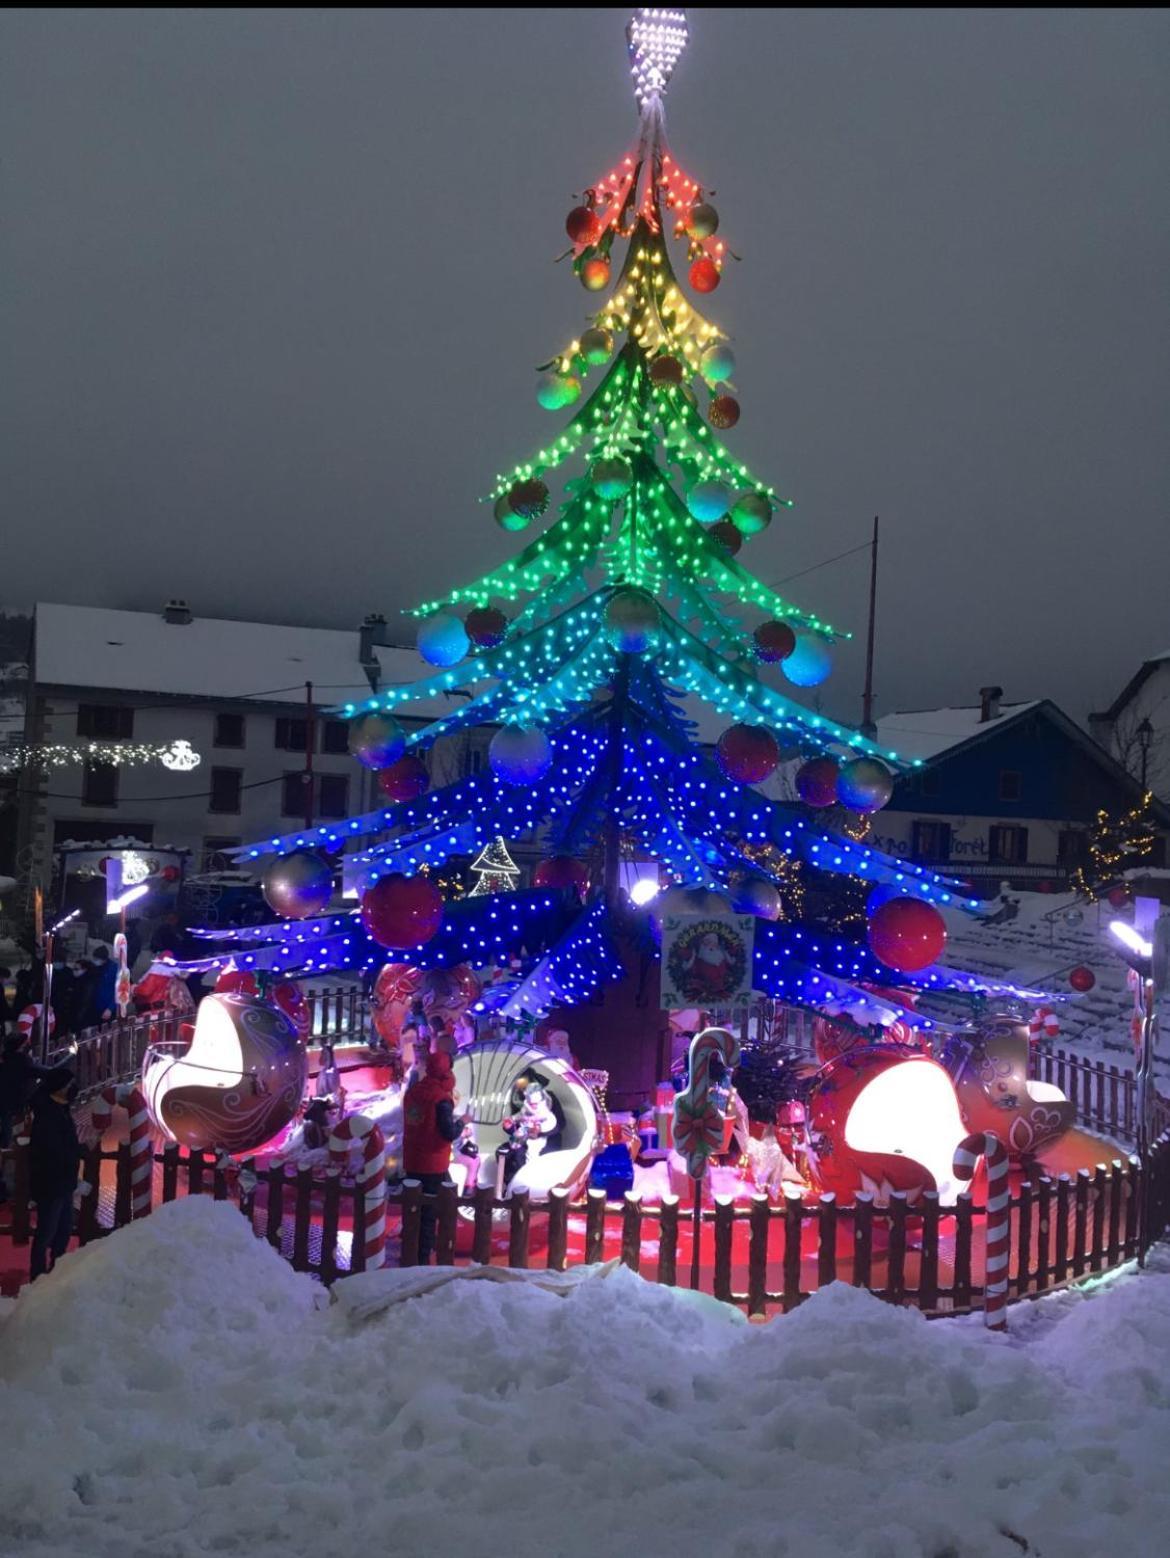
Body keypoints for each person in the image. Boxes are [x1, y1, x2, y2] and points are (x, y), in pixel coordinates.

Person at [402, 1050, 466, 1262]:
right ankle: (423, 1259)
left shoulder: (413, 1092)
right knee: (430, 1213)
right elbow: (448, 1133)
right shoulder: (441, 1099)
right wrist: (463, 1121)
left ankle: (409, 1253)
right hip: (433, 1163)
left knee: (412, 1210)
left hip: (412, 1160)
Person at [28, 1066, 84, 1281]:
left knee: (63, 1231)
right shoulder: (48, 1116)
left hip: (64, 1184)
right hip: (51, 1185)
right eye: (69, 1085)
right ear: (59, 1088)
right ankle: (37, 1276)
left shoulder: (61, 1109)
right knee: (46, 1232)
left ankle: (56, 1272)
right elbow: (53, 1151)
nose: (72, 1088)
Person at [88, 945, 118, 1026]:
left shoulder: (115, 969)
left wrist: (110, 1008)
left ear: (104, 959)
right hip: (94, 1007)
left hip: (107, 1009)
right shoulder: (95, 968)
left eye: (96, 959)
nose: (95, 961)